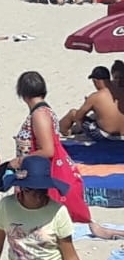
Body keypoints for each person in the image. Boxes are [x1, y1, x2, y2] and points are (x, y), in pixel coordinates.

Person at [0, 156, 100, 260]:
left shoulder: (58, 211)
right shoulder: (7, 206)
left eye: (43, 190)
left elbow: (70, 255)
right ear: (22, 188)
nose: (39, 196)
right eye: (33, 190)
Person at [9, 71, 90, 223]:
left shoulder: (39, 114)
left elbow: (48, 150)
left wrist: (20, 160)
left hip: (38, 173)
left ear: (23, 93)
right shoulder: (44, 111)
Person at [61, 65, 124, 140]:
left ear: (95, 81)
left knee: (73, 113)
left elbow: (78, 117)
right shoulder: (121, 91)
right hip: (122, 136)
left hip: (106, 136)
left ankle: (66, 132)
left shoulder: (95, 96)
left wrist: (90, 105)